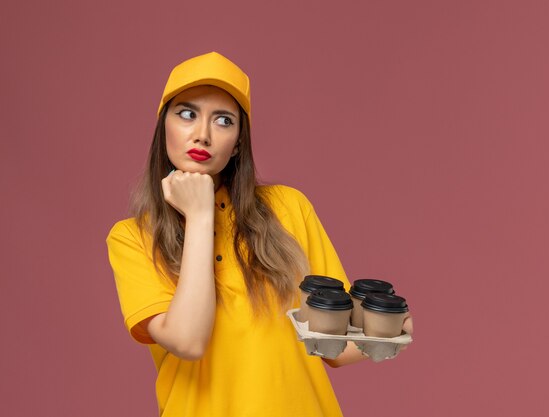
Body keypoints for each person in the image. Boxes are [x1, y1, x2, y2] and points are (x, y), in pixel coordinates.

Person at [106, 51, 412, 417]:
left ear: (237, 142)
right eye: (187, 114)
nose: (202, 134)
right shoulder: (132, 238)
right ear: (164, 127)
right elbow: (188, 341)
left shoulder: (288, 208)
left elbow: (333, 343)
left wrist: (386, 330)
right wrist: (201, 216)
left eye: (223, 120)